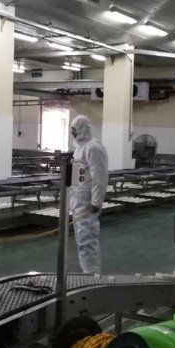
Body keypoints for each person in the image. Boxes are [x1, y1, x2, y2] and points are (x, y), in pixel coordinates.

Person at [69, 115, 109, 274]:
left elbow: (100, 176)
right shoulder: (80, 148)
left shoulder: (94, 148)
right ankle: (87, 270)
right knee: (81, 238)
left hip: (87, 202)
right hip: (78, 201)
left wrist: (97, 201)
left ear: (82, 129)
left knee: (87, 239)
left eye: (74, 129)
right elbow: (78, 176)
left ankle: (92, 273)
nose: (72, 133)